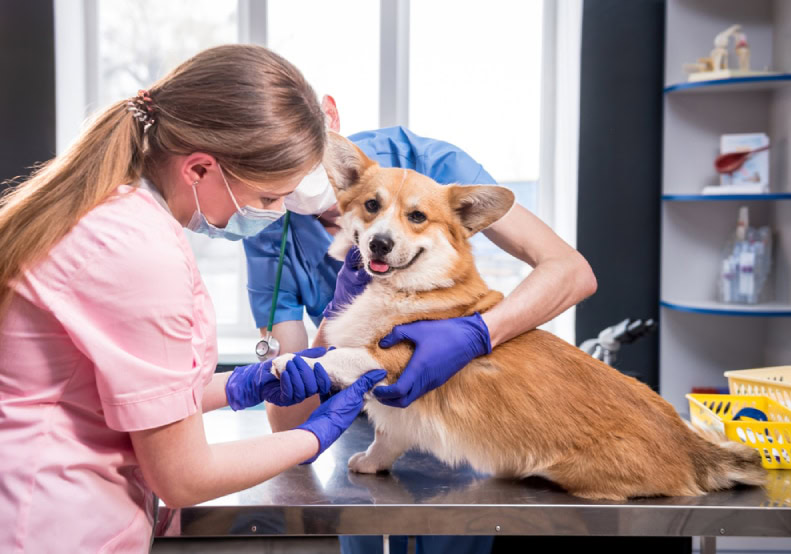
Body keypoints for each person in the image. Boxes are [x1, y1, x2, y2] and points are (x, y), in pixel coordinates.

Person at [0, 45, 385, 553]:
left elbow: (105, 388)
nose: (271, 213)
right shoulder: (139, 250)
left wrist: (241, 385)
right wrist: (313, 435)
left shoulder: (112, 213)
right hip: (47, 525)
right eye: (269, 198)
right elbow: (182, 478)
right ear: (200, 169)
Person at [243, 96, 598, 554]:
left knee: (456, 533)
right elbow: (289, 420)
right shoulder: (268, 222)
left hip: (459, 411)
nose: (282, 181)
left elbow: (571, 271)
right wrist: (340, 322)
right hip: (363, 416)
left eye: (292, 156)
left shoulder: (428, 166)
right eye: (265, 170)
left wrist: (477, 333)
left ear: (329, 118)